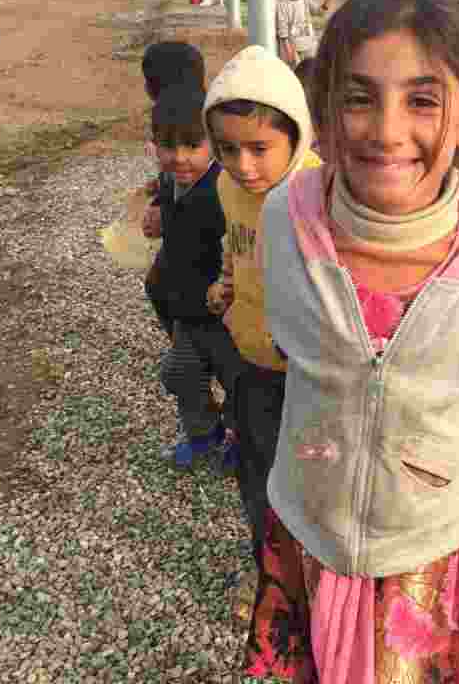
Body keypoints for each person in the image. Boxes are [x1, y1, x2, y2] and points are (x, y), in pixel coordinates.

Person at [243, 0, 459, 683]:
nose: (385, 130)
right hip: (308, 521)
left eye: (422, 100)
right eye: (357, 97)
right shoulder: (281, 223)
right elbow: (280, 335)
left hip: (424, 543)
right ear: (323, 109)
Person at [196, 44, 317, 627]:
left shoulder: (316, 192)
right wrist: (224, 283)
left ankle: (322, 578)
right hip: (250, 360)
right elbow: (234, 248)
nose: (243, 165)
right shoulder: (226, 188)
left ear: (297, 135)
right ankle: (269, 571)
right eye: (227, 149)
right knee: (259, 475)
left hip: (310, 374)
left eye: (259, 149)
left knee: (315, 482)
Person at [147, 86, 227, 468]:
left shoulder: (224, 190)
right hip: (186, 310)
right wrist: (156, 209)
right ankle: (204, 435)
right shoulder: (170, 180)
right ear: (153, 145)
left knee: (242, 387)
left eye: (192, 146)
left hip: (226, 317)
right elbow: (166, 200)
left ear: (214, 143)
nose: (179, 158)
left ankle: (243, 441)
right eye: (167, 146)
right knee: (180, 373)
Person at [139, 41, 208, 340]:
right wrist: (160, 192)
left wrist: (166, 215)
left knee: (161, 285)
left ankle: (187, 343)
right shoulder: (172, 117)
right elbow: (174, 178)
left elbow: (205, 205)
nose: (180, 155)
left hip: (203, 265)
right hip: (182, 243)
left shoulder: (202, 125)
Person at [275, 0, 331, 67]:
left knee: (313, 74)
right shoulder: (281, 5)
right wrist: (289, 53)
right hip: (294, 50)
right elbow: (283, 33)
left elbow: (320, 12)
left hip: (310, 46)